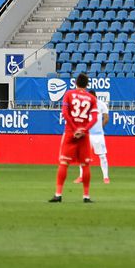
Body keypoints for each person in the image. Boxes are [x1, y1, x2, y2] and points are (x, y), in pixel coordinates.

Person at [50, 73, 98, 203]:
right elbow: (94, 118)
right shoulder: (91, 98)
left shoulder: (69, 94)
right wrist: (84, 129)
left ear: (76, 83)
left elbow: (65, 113)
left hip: (70, 132)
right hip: (84, 134)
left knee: (64, 163)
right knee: (85, 165)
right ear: (87, 85)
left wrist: (74, 128)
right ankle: (86, 196)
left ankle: (58, 194)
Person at [77, 94, 110, 185]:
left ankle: (106, 177)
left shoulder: (101, 104)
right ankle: (81, 176)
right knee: (83, 155)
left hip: (98, 135)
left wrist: (100, 127)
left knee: (102, 156)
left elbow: (106, 118)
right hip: (87, 134)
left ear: (95, 97)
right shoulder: (85, 104)